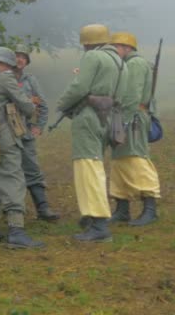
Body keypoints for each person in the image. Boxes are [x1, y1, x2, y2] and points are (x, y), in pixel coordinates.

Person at [56, 24, 128, 242]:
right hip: (108, 117)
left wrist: (61, 104)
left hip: (88, 116)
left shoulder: (92, 57)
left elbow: (80, 87)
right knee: (95, 165)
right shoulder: (120, 62)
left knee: (87, 167)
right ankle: (91, 218)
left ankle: (98, 224)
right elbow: (121, 95)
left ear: (87, 43)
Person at [0, 46, 44, 248]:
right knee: (12, 180)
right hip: (3, 137)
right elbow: (27, 107)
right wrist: (30, 103)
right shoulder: (5, 78)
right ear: (6, 63)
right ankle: (16, 232)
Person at [109, 32, 161, 226]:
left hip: (133, 118)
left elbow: (132, 95)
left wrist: (124, 121)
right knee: (119, 161)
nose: (114, 51)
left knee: (137, 159)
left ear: (127, 47)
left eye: (117, 47)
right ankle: (122, 209)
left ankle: (150, 208)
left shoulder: (136, 64)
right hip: (121, 117)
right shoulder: (124, 65)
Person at [13, 44, 60, 221]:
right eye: (17, 56)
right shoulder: (1, 77)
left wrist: (38, 126)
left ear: (26, 62)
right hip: (4, 133)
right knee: (5, 172)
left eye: (23, 57)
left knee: (32, 169)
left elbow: (43, 105)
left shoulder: (30, 80)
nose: (19, 59)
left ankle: (43, 209)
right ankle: (11, 212)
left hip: (25, 133)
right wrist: (26, 100)